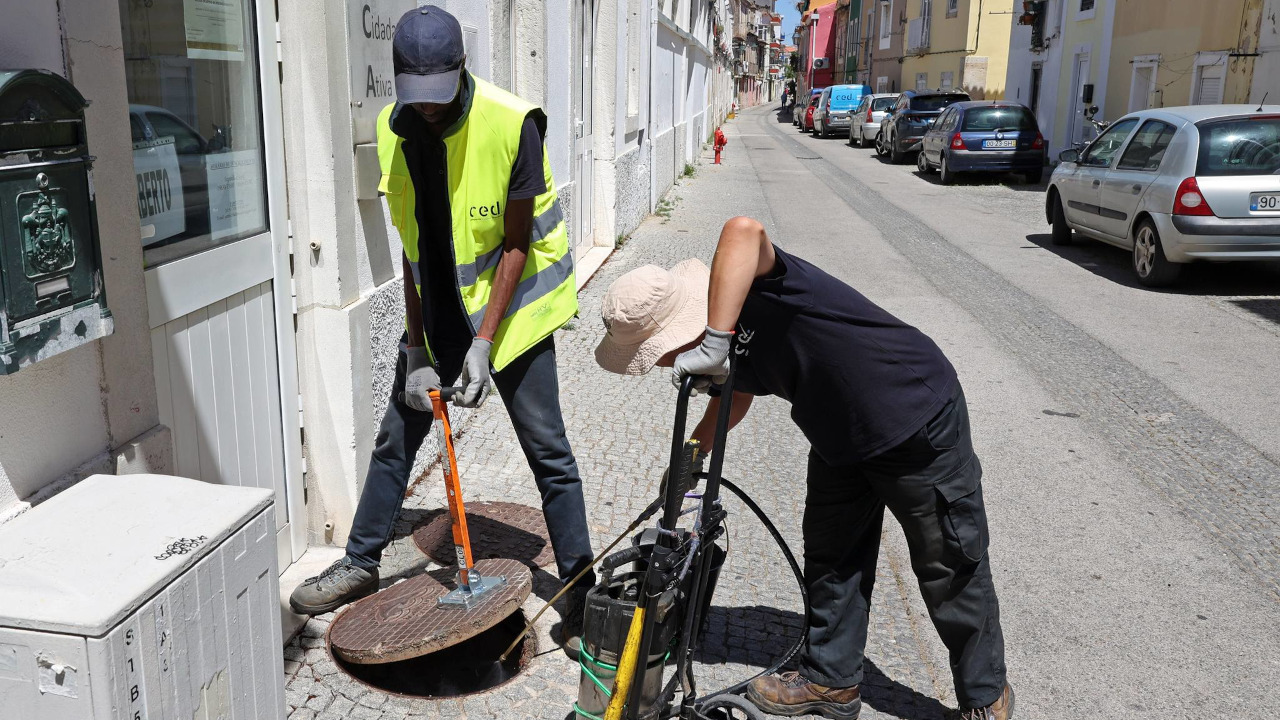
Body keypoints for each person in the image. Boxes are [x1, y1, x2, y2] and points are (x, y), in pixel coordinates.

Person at [593, 217, 1013, 720]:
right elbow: (738, 395)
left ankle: (986, 697)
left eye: (659, 356)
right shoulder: (724, 340)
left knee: (948, 562)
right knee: (832, 557)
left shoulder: (760, 287)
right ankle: (831, 681)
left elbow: (744, 229)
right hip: (838, 431)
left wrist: (715, 340)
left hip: (911, 415)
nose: (663, 366)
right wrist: (690, 459)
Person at [289, 5, 595, 653]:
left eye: (440, 94)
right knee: (395, 436)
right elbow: (413, 244)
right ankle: (360, 563)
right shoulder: (393, 127)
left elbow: (515, 245)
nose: (428, 108)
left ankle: (580, 593)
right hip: (440, 315)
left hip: (510, 319)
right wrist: (418, 344)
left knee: (551, 456)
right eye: (416, 95)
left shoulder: (513, 125)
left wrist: (484, 343)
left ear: (463, 69)